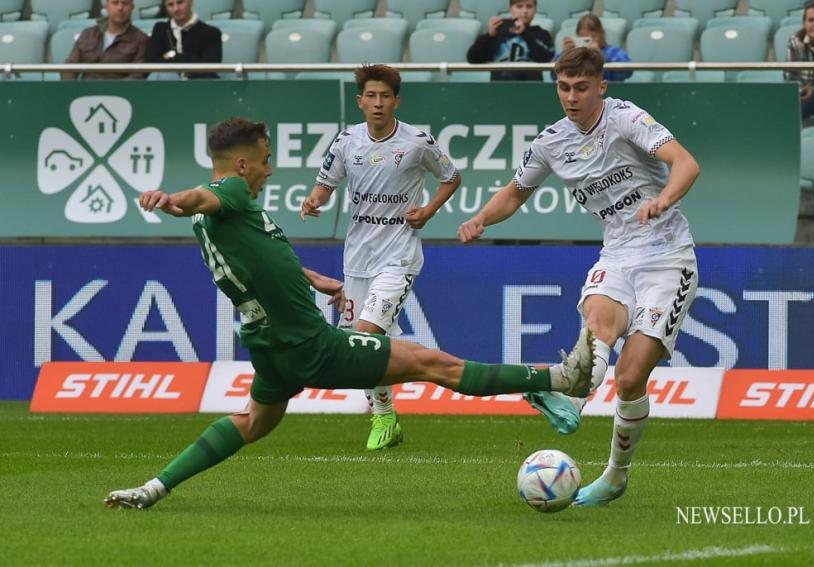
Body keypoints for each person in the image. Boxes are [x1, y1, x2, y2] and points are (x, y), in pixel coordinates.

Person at [104, 117, 594, 510]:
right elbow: (200, 196)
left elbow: (254, 254)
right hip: (310, 345)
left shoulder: (220, 217)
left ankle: (154, 487)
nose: (269, 170)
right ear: (240, 164)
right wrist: (169, 201)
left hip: (270, 347)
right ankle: (559, 378)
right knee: (431, 362)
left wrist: (313, 278)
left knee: (253, 422)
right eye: (265, 162)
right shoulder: (228, 193)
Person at [458, 47, 700, 507]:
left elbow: (687, 163)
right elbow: (514, 193)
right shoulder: (550, 142)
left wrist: (664, 199)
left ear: (601, 87)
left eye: (581, 87)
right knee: (598, 322)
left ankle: (615, 475)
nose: (571, 96)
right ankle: (573, 399)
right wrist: (481, 219)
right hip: (619, 252)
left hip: (669, 258)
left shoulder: (626, 118)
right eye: (564, 87)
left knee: (630, 380)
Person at [300, 65, 461, 451]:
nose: (377, 103)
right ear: (360, 102)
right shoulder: (346, 142)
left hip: (399, 255)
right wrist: (314, 200)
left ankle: (384, 417)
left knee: (367, 337)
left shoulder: (418, 142)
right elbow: (326, 183)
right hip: (357, 257)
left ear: (396, 101)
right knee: (360, 348)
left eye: (384, 97)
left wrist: (429, 210)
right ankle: (385, 413)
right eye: (370, 97)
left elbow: (452, 176)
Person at [466, 0, 554, 81]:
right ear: (511, 10)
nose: (525, 11)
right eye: (519, 7)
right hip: (500, 84)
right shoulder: (497, 33)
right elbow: (473, 58)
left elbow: (546, 58)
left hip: (530, 84)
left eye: (529, 6)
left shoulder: (541, 33)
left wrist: (524, 33)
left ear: (535, 10)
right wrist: (489, 35)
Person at [62, 0, 147, 81]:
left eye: (125, 3)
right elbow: (69, 68)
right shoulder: (88, 34)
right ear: (106, 6)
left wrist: (111, 90)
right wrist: (73, 90)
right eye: (115, 3)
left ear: (132, 8)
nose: (120, 7)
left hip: (119, 93)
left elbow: (138, 76)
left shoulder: (140, 39)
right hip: (85, 91)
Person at [144, 0, 222, 80]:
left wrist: (172, 56)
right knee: (162, 75)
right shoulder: (160, 29)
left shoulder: (211, 32)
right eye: (170, 5)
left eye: (180, 2)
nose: (176, 9)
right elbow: (150, 64)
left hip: (198, 86)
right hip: (166, 86)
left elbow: (209, 69)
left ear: (191, 2)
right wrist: (190, 59)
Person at [553, 14, 632, 82]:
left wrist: (600, 56)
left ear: (602, 33)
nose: (590, 42)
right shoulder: (574, 57)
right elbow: (554, 75)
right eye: (585, 39)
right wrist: (565, 55)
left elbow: (627, 72)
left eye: (593, 36)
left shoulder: (615, 52)